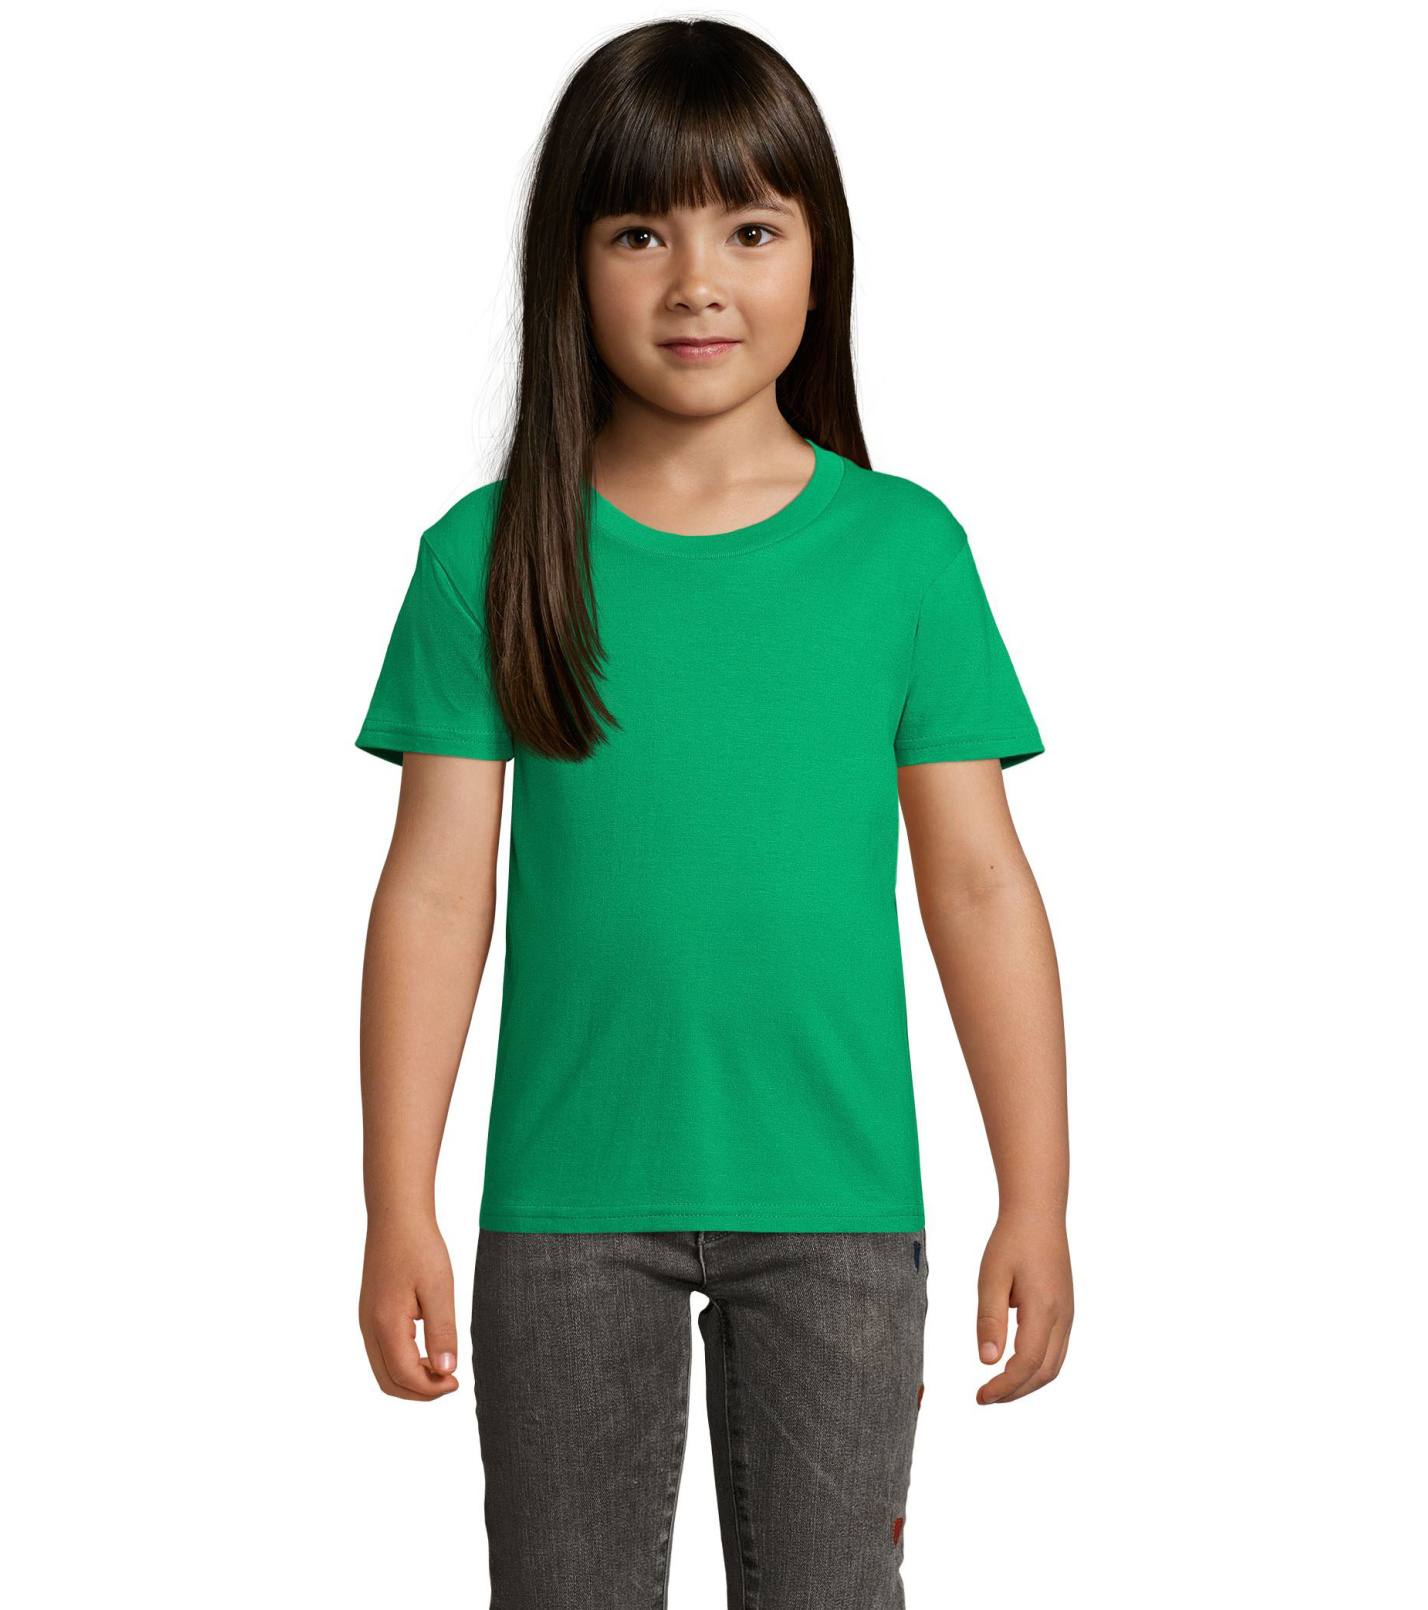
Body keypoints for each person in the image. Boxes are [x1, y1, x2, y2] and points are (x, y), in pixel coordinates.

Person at [355, 17, 1071, 1608]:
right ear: (571, 264)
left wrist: (1039, 1190)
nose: (696, 280)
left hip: (837, 1207)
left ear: (821, 259)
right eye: (640, 232)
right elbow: (435, 895)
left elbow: (978, 887)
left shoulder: (905, 554)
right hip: (564, 1210)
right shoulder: (488, 557)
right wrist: (397, 1196)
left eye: (750, 229)